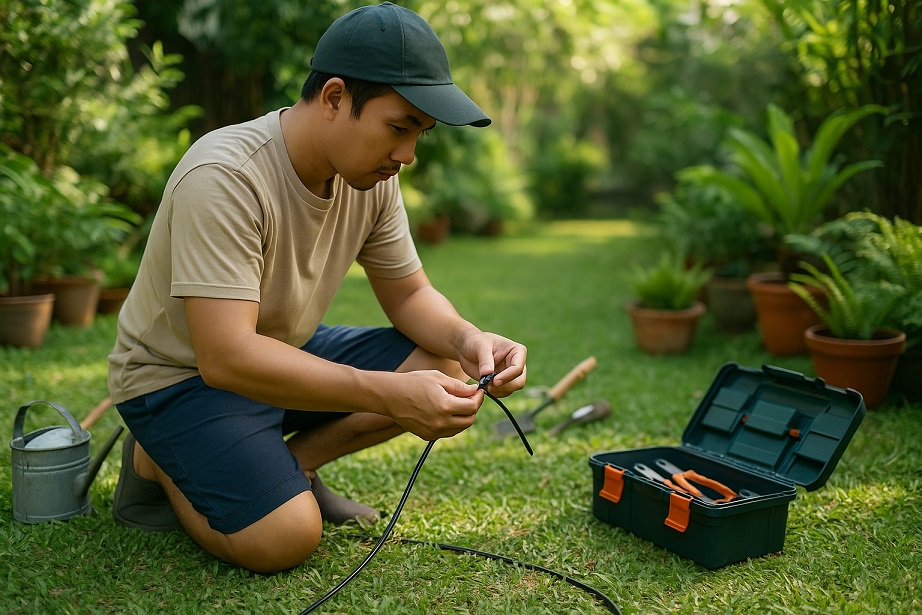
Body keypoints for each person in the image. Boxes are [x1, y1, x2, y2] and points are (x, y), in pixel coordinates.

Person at [107, 2, 527, 574]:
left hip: (278, 349)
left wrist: (471, 339)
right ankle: (156, 459)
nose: (407, 155)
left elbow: (407, 295)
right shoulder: (226, 176)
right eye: (399, 128)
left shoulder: (371, 177)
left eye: (419, 135)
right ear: (334, 99)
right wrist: (385, 393)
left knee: (450, 368)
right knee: (286, 538)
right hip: (180, 378)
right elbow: (225, 357)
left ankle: (294, 466)